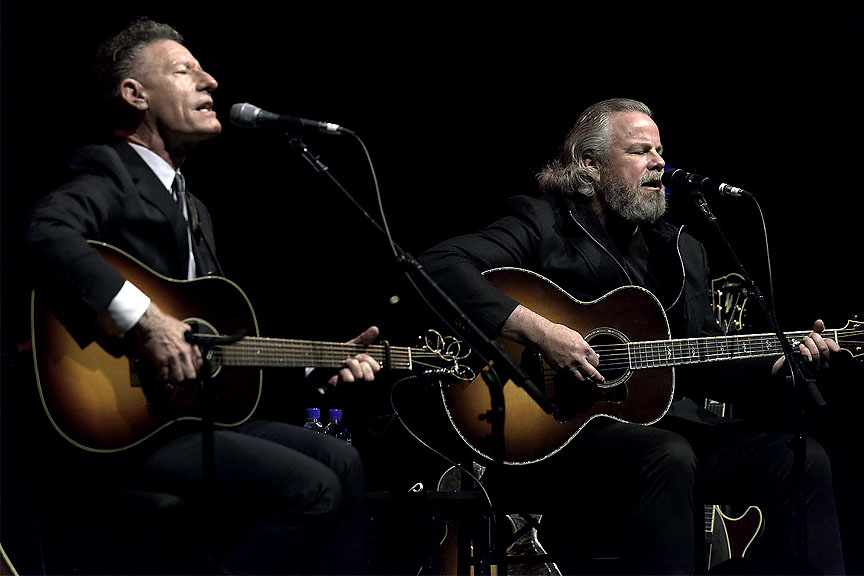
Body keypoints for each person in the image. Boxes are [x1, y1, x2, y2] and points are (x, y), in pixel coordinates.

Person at [419, 98, 845, 574]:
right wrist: (542, 332)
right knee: (668, 454)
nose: (660, 163)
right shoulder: (543, 224)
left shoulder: (682, 252)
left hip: (668, 426)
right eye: (641, 151)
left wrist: (778, 363)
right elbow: (437, 267)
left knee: (799, 457)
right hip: (557, 432)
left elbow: (703, 360)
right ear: (590, 166)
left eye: (660, 151)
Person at [25, 18, 379, 575]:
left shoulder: (197, 210)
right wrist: (146, 322)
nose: (211, 80)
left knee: (344, 459)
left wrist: (317, 367)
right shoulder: (109, 171)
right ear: (134, 94)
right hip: (126, 425)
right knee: (313, 488)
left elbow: (220, 349)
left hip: (190, 419)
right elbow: (47, 235)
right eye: (185, 70)